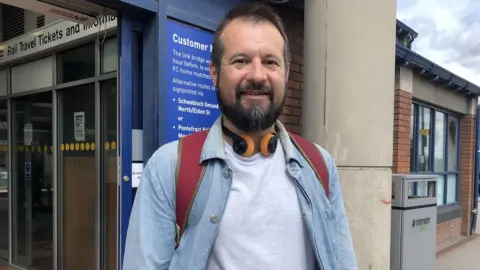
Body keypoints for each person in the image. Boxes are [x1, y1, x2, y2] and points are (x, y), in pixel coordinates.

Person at [123, 2, 357, 270]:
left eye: (270, 62)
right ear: (214, 73)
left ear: (287, 73)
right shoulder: (167, 168)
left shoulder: (320, 166)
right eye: (241, 61)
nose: (257, 75)